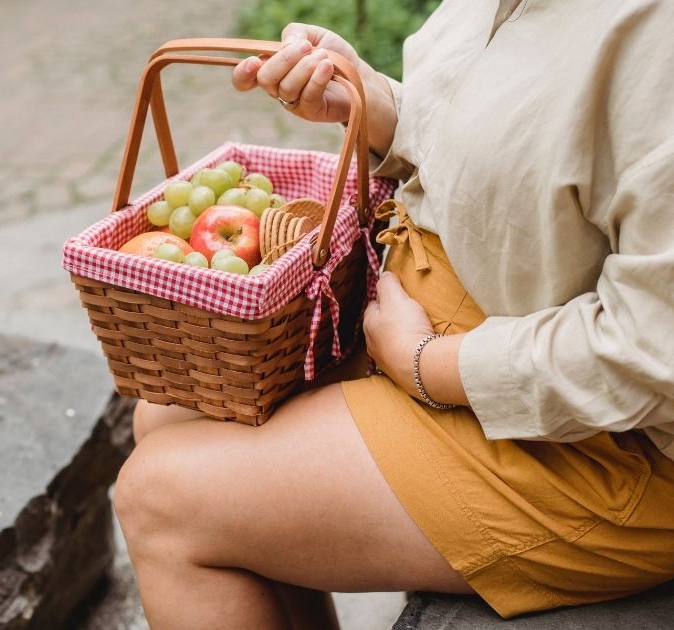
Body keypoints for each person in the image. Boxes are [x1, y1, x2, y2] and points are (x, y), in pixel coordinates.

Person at [114, 1, 674, 627]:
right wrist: (376, 106)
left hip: (599, 447)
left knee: (161, 500)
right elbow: (513, 144)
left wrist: (426, 364)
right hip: (438, 318)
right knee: (166, 414)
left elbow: (653, 348)